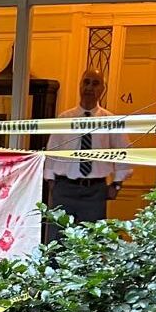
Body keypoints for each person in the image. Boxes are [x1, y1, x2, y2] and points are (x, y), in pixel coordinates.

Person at [42, 70, 133, 242]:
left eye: (95, 83)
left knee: (92, 243)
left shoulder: (110, 121)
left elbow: (124, 152)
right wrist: (52, 183)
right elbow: (52, 152)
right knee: (58, 241)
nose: (89, 87)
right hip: (64, 189)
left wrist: (117, 184)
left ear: (102, 90)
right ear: (80, 85)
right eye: (86, 82)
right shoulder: (64, 119)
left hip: (95, 191)